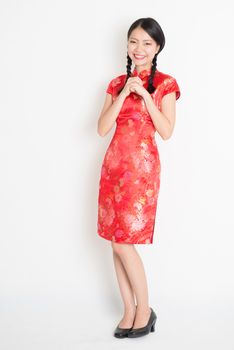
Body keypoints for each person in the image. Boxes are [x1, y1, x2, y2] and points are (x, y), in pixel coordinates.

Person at [97, 17, 181, 338]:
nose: (139, 48)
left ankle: (144, 310)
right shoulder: (116, 82)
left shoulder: (166, 84)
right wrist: (123, 94)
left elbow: (167, 131)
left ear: (157, 47)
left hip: (142, 173)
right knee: (116, 244)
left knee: (123, 242)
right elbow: (102, 127)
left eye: (147, 42)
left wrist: (146, 96)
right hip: (113, 168)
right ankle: (129, 309)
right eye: (134, 41)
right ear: (127, 45)